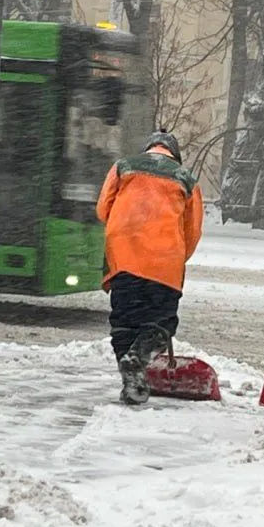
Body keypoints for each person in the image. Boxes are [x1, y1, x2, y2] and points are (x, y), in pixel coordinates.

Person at [96, 130, 204, 405]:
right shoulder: (186, 179)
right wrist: (177, 257)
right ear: (174, 154)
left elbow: (102, 209)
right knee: (162, 321)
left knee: (124, 324)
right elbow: (192, 231)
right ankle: (140, 355)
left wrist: (124, 233)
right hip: (164, 260)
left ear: (148, 149)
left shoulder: (123, 166)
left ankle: (132, 382)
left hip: (123, 257)